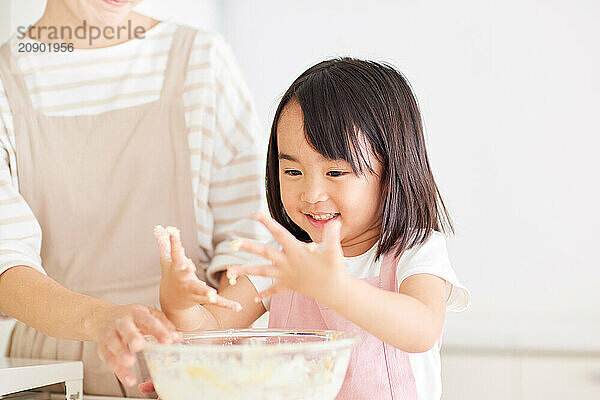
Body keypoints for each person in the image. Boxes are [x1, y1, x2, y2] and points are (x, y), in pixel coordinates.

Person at [154, 58, 471, 399]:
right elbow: (211, 330)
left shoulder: (415, 250)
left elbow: (421, 329)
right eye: (292, 172)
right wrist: (180, 304)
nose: (311, 194)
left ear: (393, 169)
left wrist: (334, 288)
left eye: (335, 173)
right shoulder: (286, 259)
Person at [0, 0, 268, 397]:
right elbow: (6, 263)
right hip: (55, 374)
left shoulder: (200, 62)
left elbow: (252, 247)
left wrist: (199, 341)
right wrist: (98, 319)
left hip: (193, 368)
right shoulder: (7, 80)